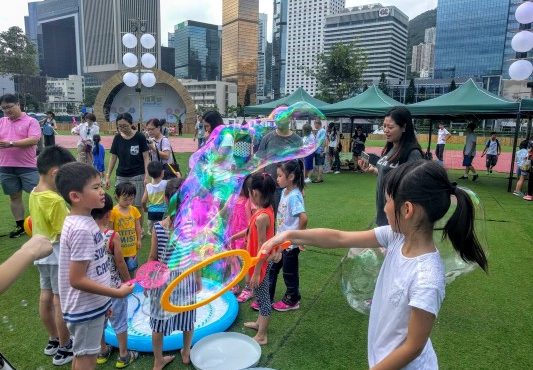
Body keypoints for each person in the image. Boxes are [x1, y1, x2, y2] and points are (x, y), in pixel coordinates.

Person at [261, 160, 488, 369]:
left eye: (388, 200)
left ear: (407, 210)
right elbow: (340, 238)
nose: (385, 207)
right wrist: (288, 235)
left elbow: (413, 347)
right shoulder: (397, 237)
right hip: (383, 357)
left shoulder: (426, 278)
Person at [55, 162, 134, 370]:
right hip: (84, 308)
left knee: (81, 356)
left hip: (93, 306)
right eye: (96, 187)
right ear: (75, 196)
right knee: (87, 360)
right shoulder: (81, 229)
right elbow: (77, 279)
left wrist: (104, 303)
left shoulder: (85, 221)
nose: (103, 191)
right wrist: (115, 294)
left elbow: (95, 268)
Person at [29, 145, 76, 365]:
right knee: (60, 300)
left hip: (40, 252)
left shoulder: (34, 192)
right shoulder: (55, 200)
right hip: (57, 253)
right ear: (55, 173)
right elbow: (64, 232)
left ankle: (53, 340)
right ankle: (66, 347)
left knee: (45, 295)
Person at [148, 177, 198, 368]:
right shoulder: (191, 227)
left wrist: (148, 281)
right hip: (185, 279)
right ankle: (186, 352)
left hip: (162, 282)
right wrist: (198, 279)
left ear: (166, 200)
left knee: (158, 323)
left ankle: (158, 360)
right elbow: (195, 257)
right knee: (187, 318)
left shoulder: (158, 228)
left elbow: (152, 258)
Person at [93, 194, 137, 368]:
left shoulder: (84, 234)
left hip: (95, 289)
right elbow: (120, 262)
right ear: (108, 214)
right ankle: (124, 355)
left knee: (100, 321)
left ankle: (102, 351)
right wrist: (128, 281)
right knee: (119, 321)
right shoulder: (112, 236)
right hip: (114, 287)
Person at [359, 107, 423, 226]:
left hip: (399, 219)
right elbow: (390, 173)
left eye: (390, 127)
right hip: (384, 213)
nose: (386, 130)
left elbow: (416, 187)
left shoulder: (413, 153)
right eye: (384, 126)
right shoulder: (390, 148)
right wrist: (373, 170)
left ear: (404, 127)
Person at [242, 173, 277, 345]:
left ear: (255, 193)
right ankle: (258, 324)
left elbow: (263, 246)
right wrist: (238, 236)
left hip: (260, 264)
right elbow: (252, 230)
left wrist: (256, 272)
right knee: (258, 293)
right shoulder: (264, 211)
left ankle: (262, 336)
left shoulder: (263, 216)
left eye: (249, 193)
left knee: (263, 299)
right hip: (258, 262)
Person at [0, 94, 41, 238]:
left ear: (18, 104)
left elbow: (34, 139)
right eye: (4, 108)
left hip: (28, 166)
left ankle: (42, 224)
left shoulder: (31, 121)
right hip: (5, 166)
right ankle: (20, 226)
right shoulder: (1, 122)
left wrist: (11, 143)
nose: (7, 111)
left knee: (38, 195)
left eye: (9, 107)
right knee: (14, 197)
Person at [269, 160, 307, 312]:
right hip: (281, 241)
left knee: (289, 272)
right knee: (272, 268)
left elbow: (303, 218)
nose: (277, 179)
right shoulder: (285, 192)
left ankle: (293, 299)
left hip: (290, 244)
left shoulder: (294, 196)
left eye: (279, 176)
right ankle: (267, 297)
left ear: (290, 176)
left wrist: (299, 239)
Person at [105, 112, 149, 229]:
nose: (122, 128)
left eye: (125, 125)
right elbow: (113, 157)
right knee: (121, 202)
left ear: (131, 124)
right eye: (120, 126)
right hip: (122, 175)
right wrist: (108, 175)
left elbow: (146, 157)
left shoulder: (140, 137)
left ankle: (139, 229)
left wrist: (147, 175)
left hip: (138, 174)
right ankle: (124, 226)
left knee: (137, 204)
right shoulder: (117, 138)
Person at [256, 113, 303, 213]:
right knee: (270, 218)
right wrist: (260, 185)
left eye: (282, 117)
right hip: (270, 188)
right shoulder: (267, 138)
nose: (278, 120)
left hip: (291, 188)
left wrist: (301, 188)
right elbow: (261, 163)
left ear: (290, 118)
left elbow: (299, 166)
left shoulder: (297, 140)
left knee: (288, 221)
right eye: (277, 117)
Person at [110, 182, 142, 277]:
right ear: (117, 197)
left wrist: (139, 239)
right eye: (125, 199)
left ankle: (131, 288)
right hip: (119, 249)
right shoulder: (113, 211)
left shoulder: (134, 210)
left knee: (132, 269)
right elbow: (110, 230)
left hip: (132, 248)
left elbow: (138, 226)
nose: (128, 202)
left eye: (131, 199)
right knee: (119, 271)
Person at [142, 161, 168, 234]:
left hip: (151, 212)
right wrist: (178, 176)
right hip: (163, 211)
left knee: (153, 231)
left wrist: (145, 208)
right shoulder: (166, 183)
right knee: (162, 230)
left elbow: (143, 201)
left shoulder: (148, 186)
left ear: (149, 174)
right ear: (162, 173)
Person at [312, 118, 326, 183]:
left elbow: (323, 141)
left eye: (314, 124)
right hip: (318, 150)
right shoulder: (319, 131)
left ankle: (319, 179)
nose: (314, 126)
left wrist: (322, 151)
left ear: (318, 124)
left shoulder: (322, 131)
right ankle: (320, 177)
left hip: (320, 150)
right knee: (318, 164)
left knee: (319, 164)